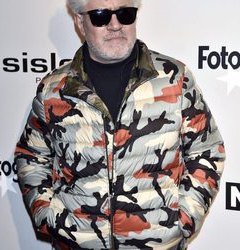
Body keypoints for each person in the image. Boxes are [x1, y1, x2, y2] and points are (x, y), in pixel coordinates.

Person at [14, 0, 225, 249]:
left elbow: (207, 151)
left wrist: (183, 220)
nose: (115, 25)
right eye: (101, 16)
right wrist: (50, 218)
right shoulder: (54, 89)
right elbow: (31, 156)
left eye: (125, 13)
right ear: (80, 22)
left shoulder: (174, 79)